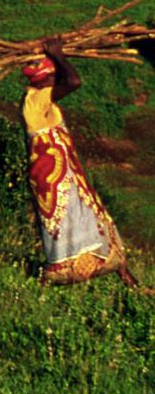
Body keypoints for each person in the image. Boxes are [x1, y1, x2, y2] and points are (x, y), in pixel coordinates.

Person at [21, 36, 137, 287]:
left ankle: (122, 273)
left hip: (62, 170)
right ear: (43, 79)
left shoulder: (38, 98)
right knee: (69, 217)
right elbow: (74, 81)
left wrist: (56, 57)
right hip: (54, 173)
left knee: (87, 212)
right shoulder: (37, 99)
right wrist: (59, 55)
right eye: (52, 77)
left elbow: (66, 81)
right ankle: (64, 269)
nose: (57, 81)